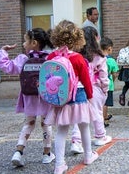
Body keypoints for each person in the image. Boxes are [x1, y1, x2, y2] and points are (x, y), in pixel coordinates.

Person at [45, 20, 98, 174]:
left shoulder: (52, 57)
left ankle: (59, 164)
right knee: (84, 127)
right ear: (77, 38)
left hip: (61, 98)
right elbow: (86, 81)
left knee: (61, 130)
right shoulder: (77, 58)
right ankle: (88, 155)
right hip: (79, 95)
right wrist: (90, 96)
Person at [0, 28, 55, 167]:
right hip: (45, 97)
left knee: (29, 123)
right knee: (46, 124)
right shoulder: (49, 58)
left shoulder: (23, 59)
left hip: (28, 97)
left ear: (33, 43)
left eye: (25, 41)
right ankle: (47, 154)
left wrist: (3, 51)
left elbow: (6, 66)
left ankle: (18, 152)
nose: (23, 44)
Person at [79, 26, 112, 146]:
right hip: (94, 88)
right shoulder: (99, 57)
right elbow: (104, 76)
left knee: (80, 114)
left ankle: (76, 141)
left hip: (78, 88)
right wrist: (105, 89)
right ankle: (100, 136)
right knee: (97, 112)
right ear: (96, 38)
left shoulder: (78, 56)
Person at [100, 37, 119, 127]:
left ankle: (101, 117)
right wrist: (113, 80)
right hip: (108, 84)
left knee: (99, 102)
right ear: (109, 48)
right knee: (105, 103)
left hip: (97, 84)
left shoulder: (97, 58)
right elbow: (115, 74)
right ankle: (104, 119)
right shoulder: (111, 60)